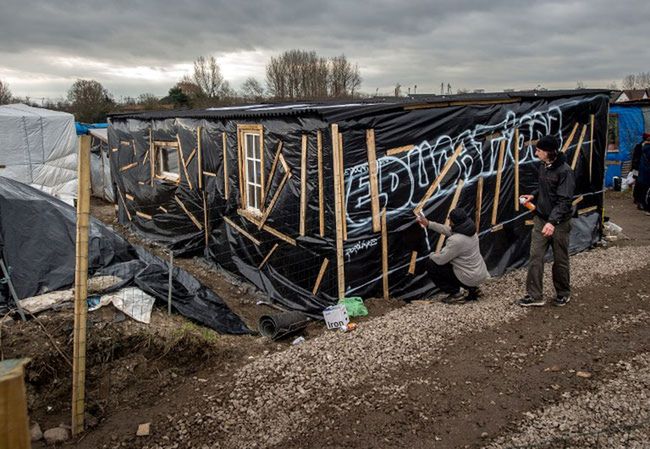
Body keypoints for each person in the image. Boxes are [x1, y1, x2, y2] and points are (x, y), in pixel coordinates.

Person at [518, 135, 575, 307]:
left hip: (559, 223)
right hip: (541, 219)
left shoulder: (565, 172)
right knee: (536, 256)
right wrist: (533, 195)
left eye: (539, 150)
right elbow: (543, 186)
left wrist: (553, 222)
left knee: (560, 259)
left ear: (549, 152)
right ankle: (535, 295)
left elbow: (565, 200)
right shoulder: (543, 166)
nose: (536, 152)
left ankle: (563, 293)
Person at [416, 208, 489, 304]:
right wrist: (428, 224)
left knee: (432, 264)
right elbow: (448, 230)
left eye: (449, 219)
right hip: (479, 273)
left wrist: (431, 254)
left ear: (454, 222)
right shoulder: (471, 231)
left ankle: (456, 294)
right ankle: (473, 289)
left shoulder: (456, 241)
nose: (448, 221)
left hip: (469, 277)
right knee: (459, 263)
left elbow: (440, 260)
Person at [630, 133, 650, 208]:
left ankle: (637, 198)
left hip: (639, 167)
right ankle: (638, 199)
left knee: (638, 183)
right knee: (640, 184)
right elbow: (636, 157)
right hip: (639, 167)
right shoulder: (642, 146)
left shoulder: (640, 145)